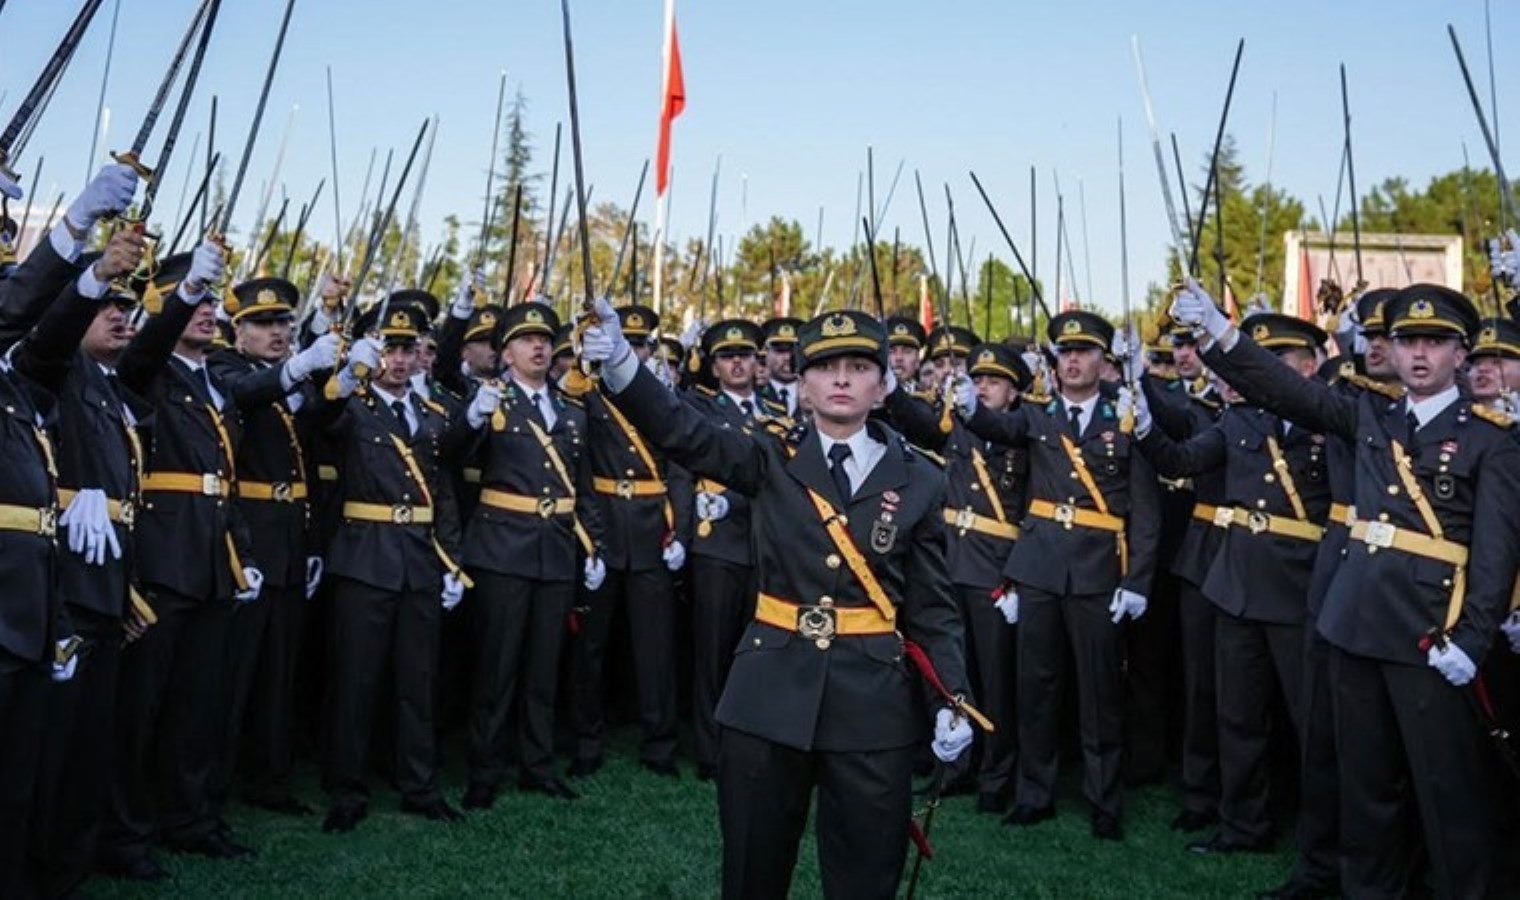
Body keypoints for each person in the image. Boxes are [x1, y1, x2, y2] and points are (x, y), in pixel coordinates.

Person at [581, 301, 974, 899]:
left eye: (858, 366)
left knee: (866, 877)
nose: (841, 378)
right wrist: (621, 369)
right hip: (768, 693)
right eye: (824, 367)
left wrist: (952, 695)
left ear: (883, 384)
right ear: (803, 384)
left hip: (872, 701)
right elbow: (683, 432)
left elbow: (933, 606)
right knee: (752, 874)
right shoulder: (767, 454)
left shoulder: (920, 477)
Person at [1174, 280, 1520, 898]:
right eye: (1407, 341)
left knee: (1448, 790)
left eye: (1435, 343)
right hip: (1355, 625)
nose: (1418, 354)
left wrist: (1471, 639)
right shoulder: (1368, 414)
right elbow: (1286, 390)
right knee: (1366, 787)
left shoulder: (1490, 438)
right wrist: (1221, 334)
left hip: (1430, 634)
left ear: (1460, 356)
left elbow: (1494, 555)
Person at [1130, 313, 1333, 856]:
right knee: (1236, 715)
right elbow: (1182, 459)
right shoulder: (1240, 421)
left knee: (1312, 723)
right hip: (1237, 584)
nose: (1261, 375)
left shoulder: (1329, 423)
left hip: (1300, 587)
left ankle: (1324, 841)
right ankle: (1244, 825)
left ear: (1309, 368)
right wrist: (1145, 426)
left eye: (1277, 364)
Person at [953, 310, 1161, 840]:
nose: (1072, 360)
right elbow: (996, 425)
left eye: (1084, 351)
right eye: (1064, 352)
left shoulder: (1126, 417)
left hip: (1096, 572)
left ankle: (1104, 800)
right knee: (1035, 689)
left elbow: (1145, 510)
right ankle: (1034, 792)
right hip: (1039, 569)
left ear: (1102, 360)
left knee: (1099, 694)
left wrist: (1137, 582)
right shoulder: (1038, 417)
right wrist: (969, 406)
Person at [99, 240, 265, 872]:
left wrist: (240, 552)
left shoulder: (216, 377)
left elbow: (225, 477)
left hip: (212, 556)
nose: (204, 313)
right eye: (186, 301)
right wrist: (185, 289)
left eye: (206, 302)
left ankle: (190, 816)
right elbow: (143, 351)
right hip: (164, 560)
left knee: (199, 704)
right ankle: (127, 833)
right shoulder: (143, 368)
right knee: (144, 708)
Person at [17, 230, 151, 894]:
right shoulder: (58, 372)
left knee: (84, 741)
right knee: (47, 747)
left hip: (97, 579)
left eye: (128, 307)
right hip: (56, 583)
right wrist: (88, 261)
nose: (120, 317)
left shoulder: (105, 385)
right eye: (107, 307)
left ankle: (64, 862)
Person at [316, 302, 468, 833]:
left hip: (419, 561)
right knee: (357, 680)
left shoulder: (430, 417)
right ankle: (347, 789)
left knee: (416, 681)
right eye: (389, 350)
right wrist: (345, 372)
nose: (399, 360)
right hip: (365, 557)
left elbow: (443, 493)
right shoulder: (352, 407)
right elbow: (317, 418)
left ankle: (419, 785)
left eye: (407, 350)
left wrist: (452, 560)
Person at [451, 302, 607, 807]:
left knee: (544, 667)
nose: (539, 347)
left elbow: (583, 487)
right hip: (502, 548)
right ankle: (485, 769)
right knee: (497, 669)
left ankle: (537, 765)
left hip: (556, 550)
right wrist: (471, 418)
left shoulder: (570, 409)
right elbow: (449, 456)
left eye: (544, 338)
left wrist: (593, 545)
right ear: (507, 353)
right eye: (526, 339)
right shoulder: (490, 402)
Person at [883, 341, 1031, 814]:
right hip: (952, 563)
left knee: (995, 681)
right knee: (951, 676)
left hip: (996, 570)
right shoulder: (958, 426)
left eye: (994, 382)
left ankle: (996, 776)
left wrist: (1018, 578)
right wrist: (891, 390)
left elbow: (1034, 512)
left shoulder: (1025, 436)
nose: (983, 388)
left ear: (1014, 393)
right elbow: (919, 425)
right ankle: (955, 766)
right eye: (979, 379)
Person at [208, 278, 337, 819]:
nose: (277, 332)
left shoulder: (289, 379)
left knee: (278, 671)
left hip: (287, 534)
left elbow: (316, 424)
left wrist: (341, 377)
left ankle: (269, 776)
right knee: (233, 673)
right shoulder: (225, 369)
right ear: (237, 332)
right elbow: (249, 393)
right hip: (249, 536)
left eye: (284, 323)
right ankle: (212, 784)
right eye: (263, 324)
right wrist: (302, 365)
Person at [566, 303, 689, 779]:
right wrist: (590, 537)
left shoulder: (656, 397)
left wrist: (678, 530)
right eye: (627, 343)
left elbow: (679, 465)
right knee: (591, 646)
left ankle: (660, 744)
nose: (633, 351)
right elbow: (575, 464)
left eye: (640, 345)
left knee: (655, 647)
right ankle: (586, 739)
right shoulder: (587, 393)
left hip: (651, 531)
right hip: (603, 527)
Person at [683, 319, 768, 781]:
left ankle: (749, 741)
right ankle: (710, 750)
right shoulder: (700, 406)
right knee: (712, 653)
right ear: (713, 365)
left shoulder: (774, 408)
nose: (738, 362)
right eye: (727, 356)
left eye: (746, 355)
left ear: (758, 363)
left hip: (764, 544)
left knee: (756, 653)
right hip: (719, 541)